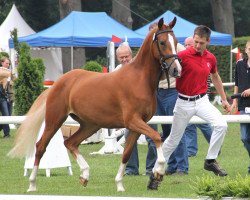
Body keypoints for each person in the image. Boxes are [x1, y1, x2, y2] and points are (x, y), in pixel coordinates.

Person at [150, 25, 230, 189]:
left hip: (202, 101)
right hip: (183, 102)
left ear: (208, 41)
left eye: (201, 42)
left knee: (221, 125)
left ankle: (210, 160)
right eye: (195, 41)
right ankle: (155, 174)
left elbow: (215, 76)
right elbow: (165, 68)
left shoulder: (211, 58)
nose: (197, 45)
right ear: (193, 38)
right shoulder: (182, 56)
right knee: (173, 140)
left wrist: (224, 99)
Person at [115, 42, 158, 175]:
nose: (124, 59)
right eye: (121, 57)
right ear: (117, 58)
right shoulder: (117, 71)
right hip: (131, 114)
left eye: (126, 56)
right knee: (129, 139)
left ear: (131, 55)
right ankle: (131, 169)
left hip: (146, 110)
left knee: (153, 138)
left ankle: (151, 168)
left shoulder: (141, 67)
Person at [183, 36, 213, 157]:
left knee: (204, 124)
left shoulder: (205, 57)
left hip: (201, 98)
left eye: (189, 44)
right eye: (185, 45)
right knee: (189, 125)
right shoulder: (184, 57)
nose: (187, 47)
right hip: (187, 99)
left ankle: (215, 144)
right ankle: (191, 150)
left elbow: (208, 80)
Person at [231, 40, 250, 174]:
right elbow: (236, 83)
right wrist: (234, 101)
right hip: (243, 106)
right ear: (245, 49)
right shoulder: (239, 64)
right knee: (244, 137)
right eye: (249, 48)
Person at [0, 57, 12, 138]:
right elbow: (3, 74)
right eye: (6, 63)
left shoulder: (9, 72)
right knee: (6, 115)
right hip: (2, 96)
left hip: (9, 96)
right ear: (2, 63)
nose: (8, 65)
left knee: (9, 116)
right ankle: (6, 134)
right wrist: (11, 73)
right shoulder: (1, 70)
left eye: (9, 63)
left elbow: (15, 79)